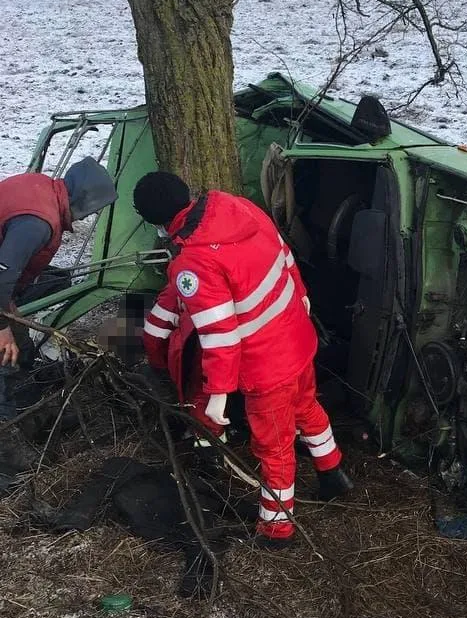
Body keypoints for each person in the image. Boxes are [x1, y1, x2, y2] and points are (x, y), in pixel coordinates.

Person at [133, 171, 352, 549]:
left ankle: (276, 531)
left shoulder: (194, 265)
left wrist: (218, 395)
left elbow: (220, 338)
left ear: (153, 219)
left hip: (266, 366)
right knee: (308, 408)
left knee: (275, 448)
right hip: (297, 339)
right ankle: (333, 472)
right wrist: (300, 296)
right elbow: (285, 253)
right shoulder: (236, 207)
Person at [0, 157, 117, 368]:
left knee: (21, 342)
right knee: (10, 351)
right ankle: (15, 395)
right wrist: (1, 328)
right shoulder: (38, 223)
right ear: (83, 201)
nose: (85, 217)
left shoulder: (40, 186)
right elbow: (3, 273)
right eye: (91, 210)